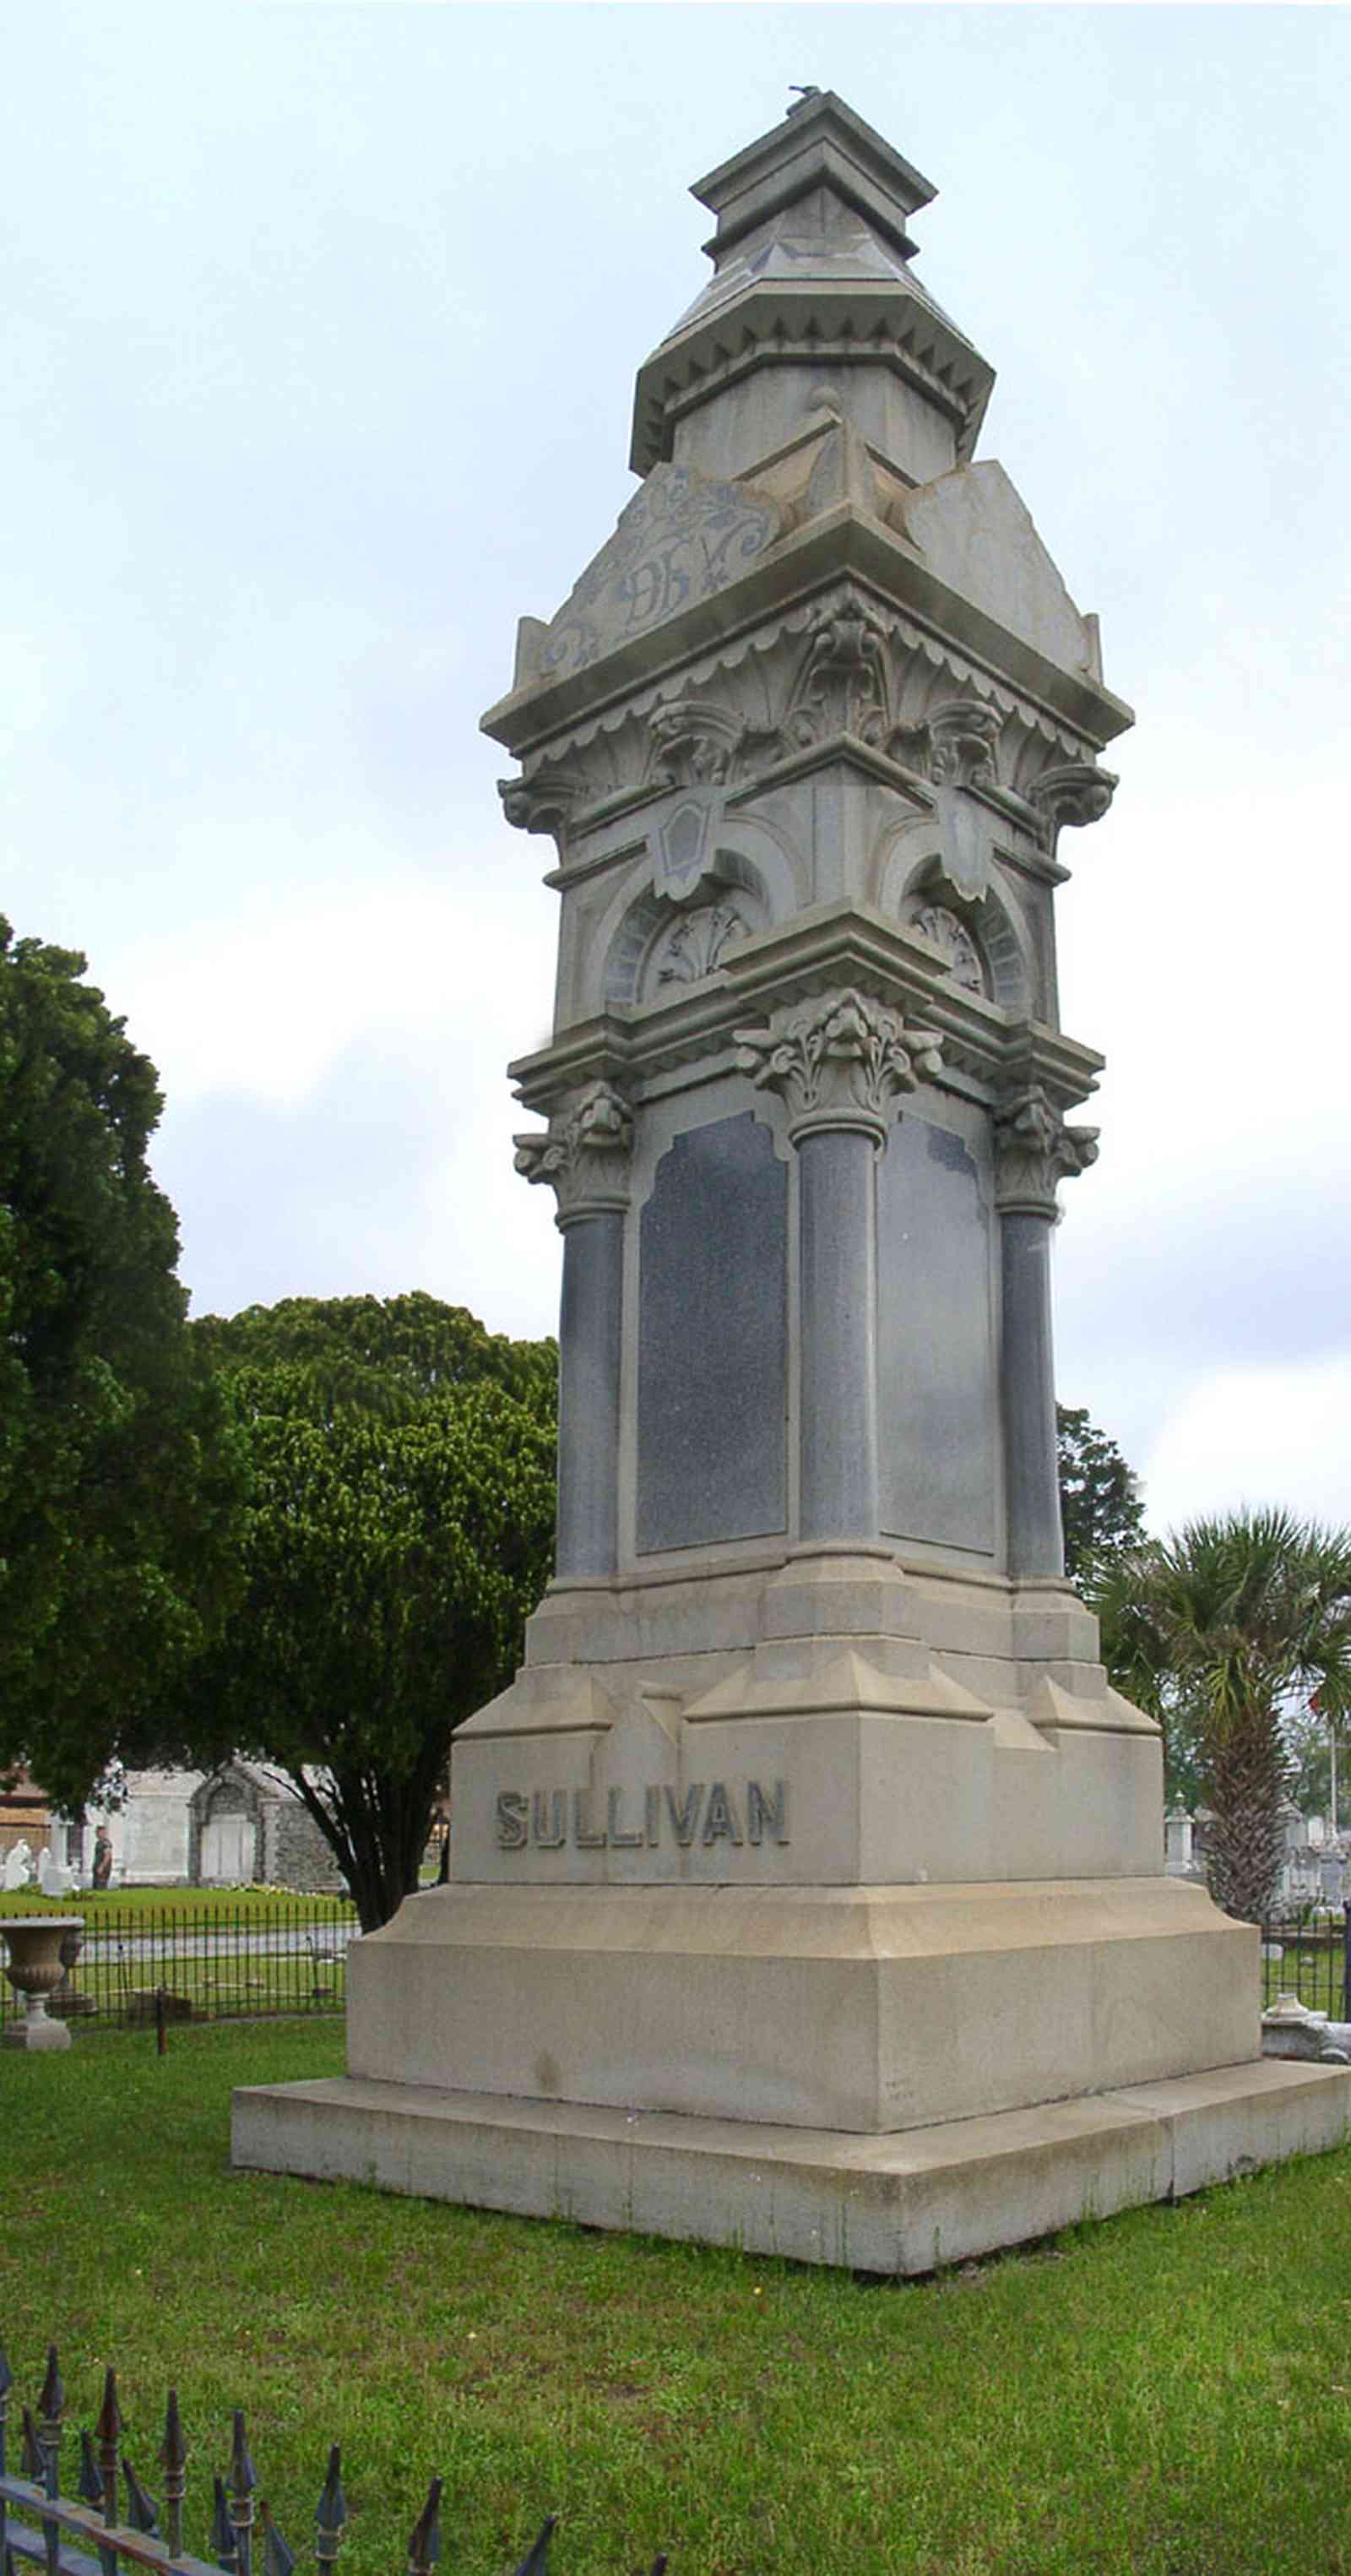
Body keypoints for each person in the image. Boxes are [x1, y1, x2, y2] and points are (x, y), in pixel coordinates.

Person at [91, 1824, 113, 1890]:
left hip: (102, 1869)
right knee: (96, 1886)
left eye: (98, 1832)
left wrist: (102, 1867)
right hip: (97, 1868)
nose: (96, 1834)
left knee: (101, 1886)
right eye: (96, 1832)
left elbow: (108, 1855)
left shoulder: (106, 1843)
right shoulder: (98, 1843)